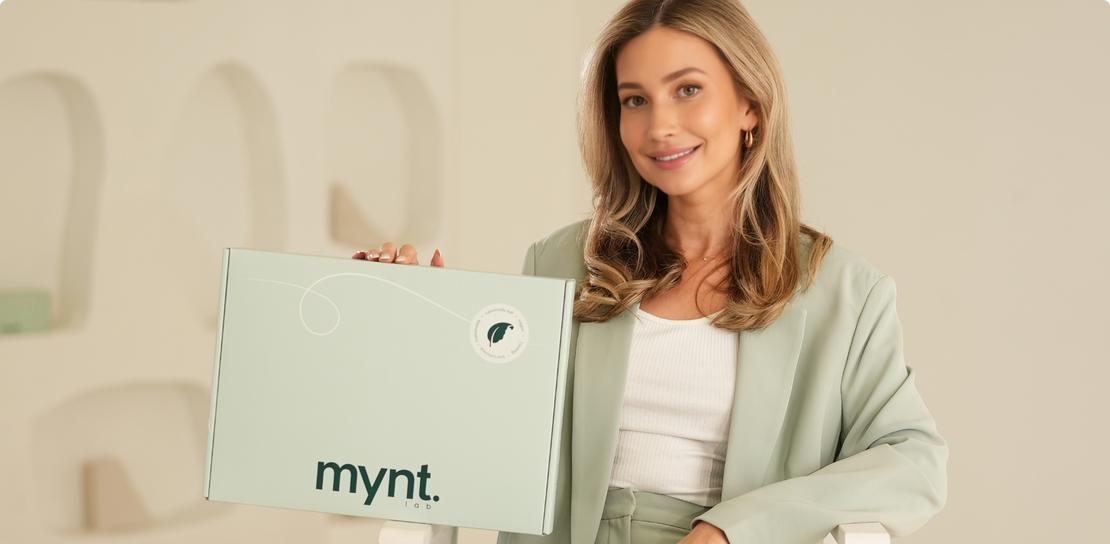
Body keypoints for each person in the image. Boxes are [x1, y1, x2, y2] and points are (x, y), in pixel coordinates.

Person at [353, 1, 948, 543]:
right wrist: (423, 325)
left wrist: (732, 530)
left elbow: (913, 460)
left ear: (750, 106)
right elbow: (490, 436)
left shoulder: (845, 292)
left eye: (687, 89)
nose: (658, 125)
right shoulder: (560, 262)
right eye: (634, 99)